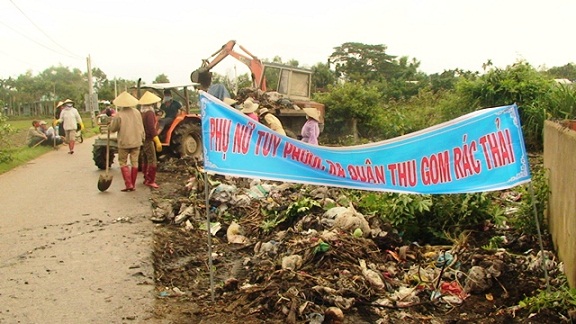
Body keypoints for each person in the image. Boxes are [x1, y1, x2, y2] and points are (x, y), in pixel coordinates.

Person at [109, 91, 145, 192]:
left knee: (122, 162)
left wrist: (110, 125)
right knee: (135, 162)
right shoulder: (137, 113)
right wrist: (143, 137)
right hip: (137, 141)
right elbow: (141, 127)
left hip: (124, 142)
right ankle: (132, 184)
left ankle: (128, 184)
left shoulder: (119, 115)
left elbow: (113, 129)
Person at [138, 91, 163, 189]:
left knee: (145, 158)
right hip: (148, 139)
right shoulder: (149, 113)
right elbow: (151, 128)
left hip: (142, 138)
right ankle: (150, 180)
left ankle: (146, 177)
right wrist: (157, 140)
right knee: (152, 160)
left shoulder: (142, 112)